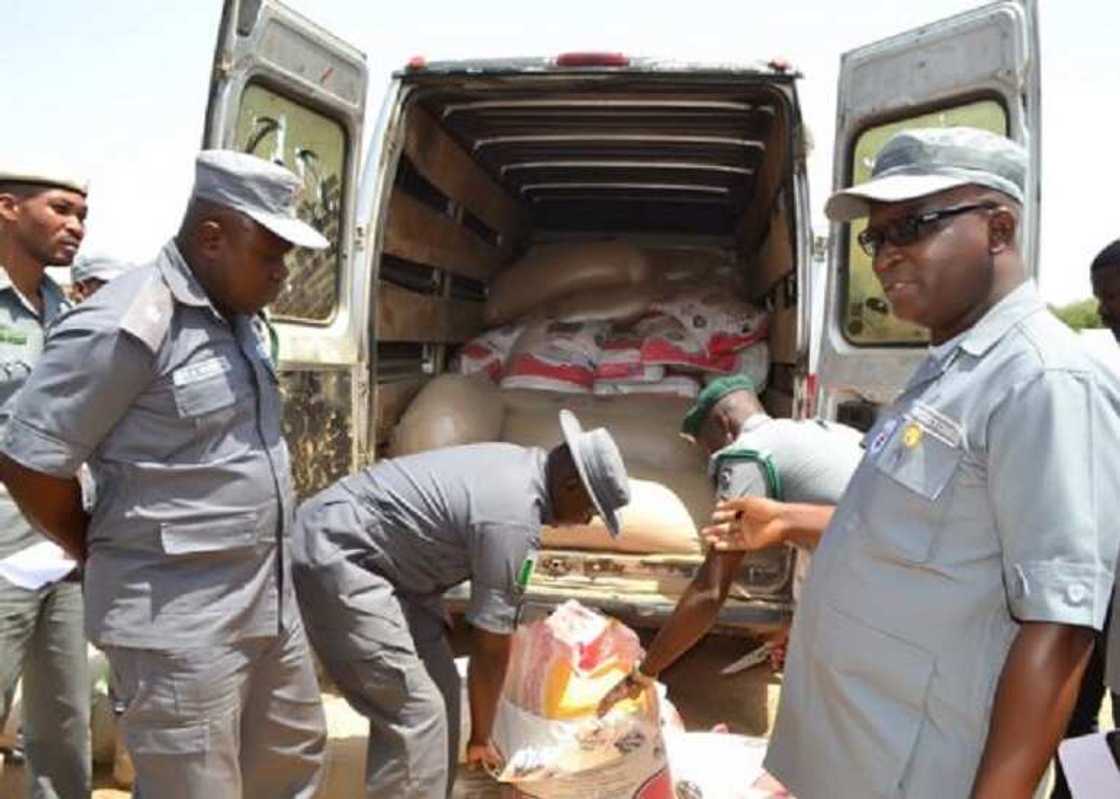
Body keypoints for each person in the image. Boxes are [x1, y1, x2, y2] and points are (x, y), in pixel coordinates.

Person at [706, 127, 1120, 799]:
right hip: (856, 746)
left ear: (999, 228)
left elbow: (1061, 623)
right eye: (876, 237)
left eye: (913, 226)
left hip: (918, 766)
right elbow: (916, 528)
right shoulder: (948, 370)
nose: (886, 255)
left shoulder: (1043, 381)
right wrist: (787, 520)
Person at [0, 150, 332, 799]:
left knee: (287, 766)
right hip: (181, 621)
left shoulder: (237, 318)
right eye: (270, 254)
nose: (282, 274)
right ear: (212, 237)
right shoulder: (127, 321)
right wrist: (89, 543)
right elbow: (30, 457)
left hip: (267, 600)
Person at [290, 410, 630, 799]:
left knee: (441, 688)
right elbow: (491, 644)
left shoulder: (517, 466)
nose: (586, 522)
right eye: (590, 510)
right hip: (344, 554)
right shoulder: (513, 519)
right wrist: (481, 738)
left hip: (395, 573)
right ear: (570, 484)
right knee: (416, 711)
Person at [597, 376, 861, 714]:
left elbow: (710, 590)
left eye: (707, 446)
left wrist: (644, 673)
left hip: (879, 578)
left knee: (834, 708)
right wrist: (801, 623)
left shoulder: (745, 453)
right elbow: (834, 533)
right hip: (904, 557)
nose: (712, 458)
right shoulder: (819, 432)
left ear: (724, 424)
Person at [0, 163, 91, 799]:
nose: (76, 226)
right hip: (1, 544)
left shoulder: (66, 309)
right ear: (7, 207)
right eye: (61, 209)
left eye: (82, 214)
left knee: (64, 721)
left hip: (64, 541)